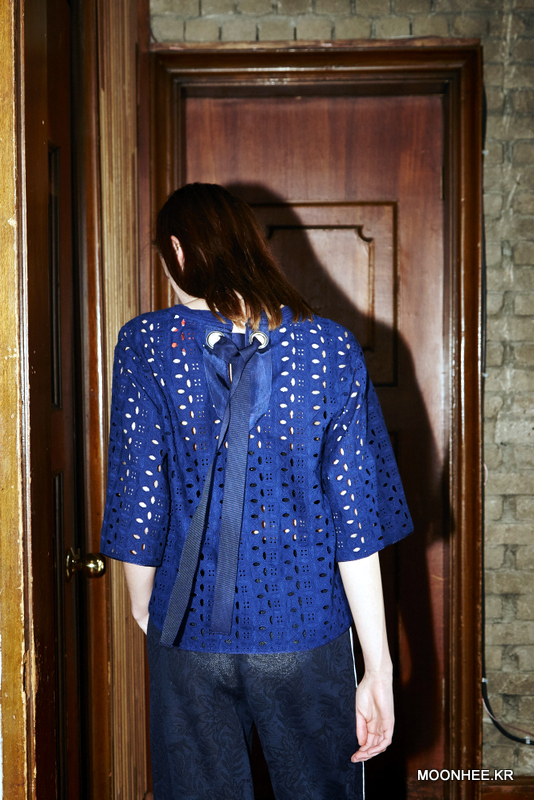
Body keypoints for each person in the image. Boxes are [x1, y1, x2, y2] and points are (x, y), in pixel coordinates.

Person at [100, 183, 413, 800]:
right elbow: (356, 522)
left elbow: (139, 493)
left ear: (177, 251)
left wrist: (145, 606)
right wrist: (377, 665)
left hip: (187, 630)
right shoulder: (330, 346)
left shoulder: (145, 343)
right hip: (305, 630)